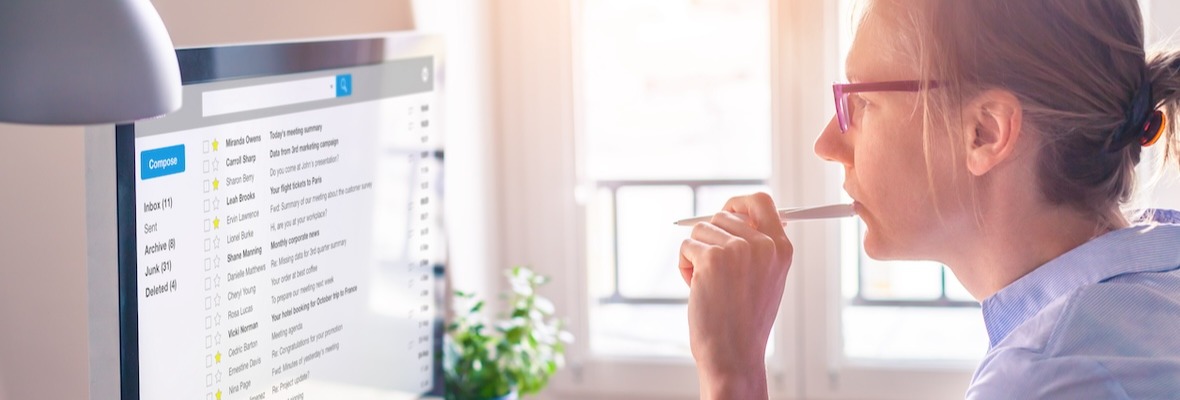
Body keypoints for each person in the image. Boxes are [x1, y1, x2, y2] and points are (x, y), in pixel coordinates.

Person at [677, 0, 1180, 398]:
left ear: (984, 131)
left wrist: (732, 374)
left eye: (863, 101)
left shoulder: (1045, 379)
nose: (827, 144)